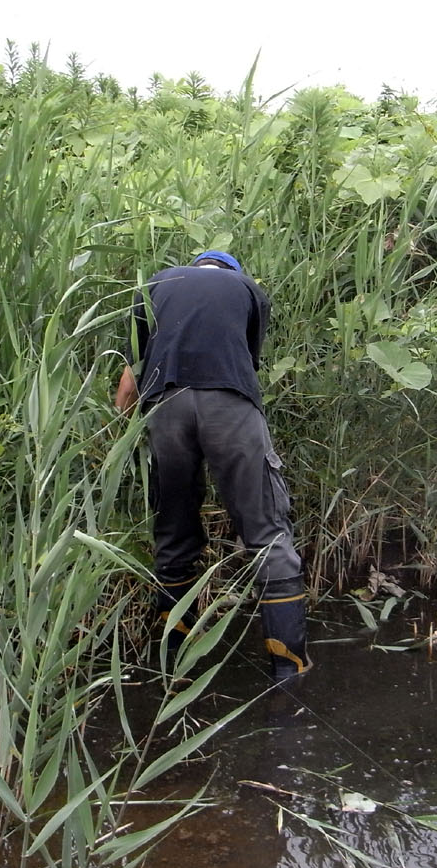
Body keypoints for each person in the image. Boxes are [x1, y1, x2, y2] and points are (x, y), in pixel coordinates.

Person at [114, 249, 310, 680]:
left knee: (174, 529)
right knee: (266, 534)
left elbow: (130, 373)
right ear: (231, 270)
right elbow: (246, 361)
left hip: (165, 406)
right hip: (230, 406)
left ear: (197, 264)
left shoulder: (158, 282)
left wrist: (122, 433)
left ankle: (172, 665)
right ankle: (288, 671)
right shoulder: (247, 289)